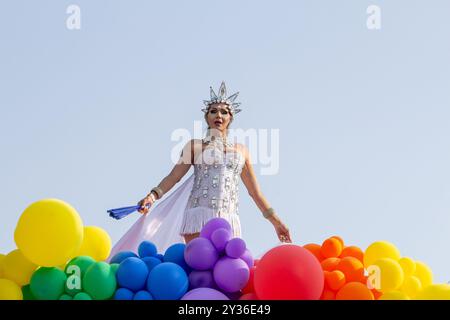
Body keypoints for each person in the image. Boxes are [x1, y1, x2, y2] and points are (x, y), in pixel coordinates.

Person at [109, 82, 291, 257]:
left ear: (230, 118)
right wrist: (152, 196)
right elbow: (174, 176)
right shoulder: (195, 146)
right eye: (213, 111)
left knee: (226, 272)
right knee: (200, 265)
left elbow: (255, 193)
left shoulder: (241, 150)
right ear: (207, 118)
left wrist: (276, 222)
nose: (218, 115)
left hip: (229, 218)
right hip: (198, 216)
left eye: (224, 112)